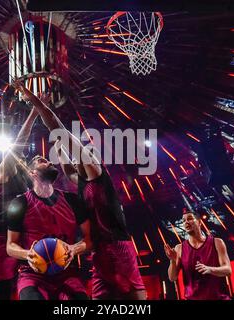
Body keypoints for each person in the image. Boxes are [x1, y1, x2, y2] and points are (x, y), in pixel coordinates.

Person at [13, 82, 146, 300]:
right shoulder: (81, 179)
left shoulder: (95, 170)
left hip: (117, 245)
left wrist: (32, 98)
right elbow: (66, 168)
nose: (74, 159)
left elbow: (56, 126)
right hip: (98, 252)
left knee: (134, 300)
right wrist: (57, 146)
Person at [5, 154, 92, 300]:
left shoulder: (72, 200)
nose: (50, 162)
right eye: (42, 161)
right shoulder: (19, 203)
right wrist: (28, 254)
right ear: (32, 173)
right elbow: (10, 245)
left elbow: (90, 239)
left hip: (66, 273)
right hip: (32, 274)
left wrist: (73, 249)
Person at [0, 105, 38, 300]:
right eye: (18, 154)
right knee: (4, 292)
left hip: (19, 237)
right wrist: (34, 112)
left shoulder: (28, 184)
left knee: (29, 288)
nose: (20, 156)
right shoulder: (4, 172)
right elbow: (20, 144)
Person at [164, 210, 232, 300]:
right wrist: (172, 260)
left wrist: (210, 269)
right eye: (183, 220)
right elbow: (172, 278)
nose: (186, 222)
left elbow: (228, 270)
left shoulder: (217, 242)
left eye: (190, 219)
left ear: (199, 222)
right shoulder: (179, 248)